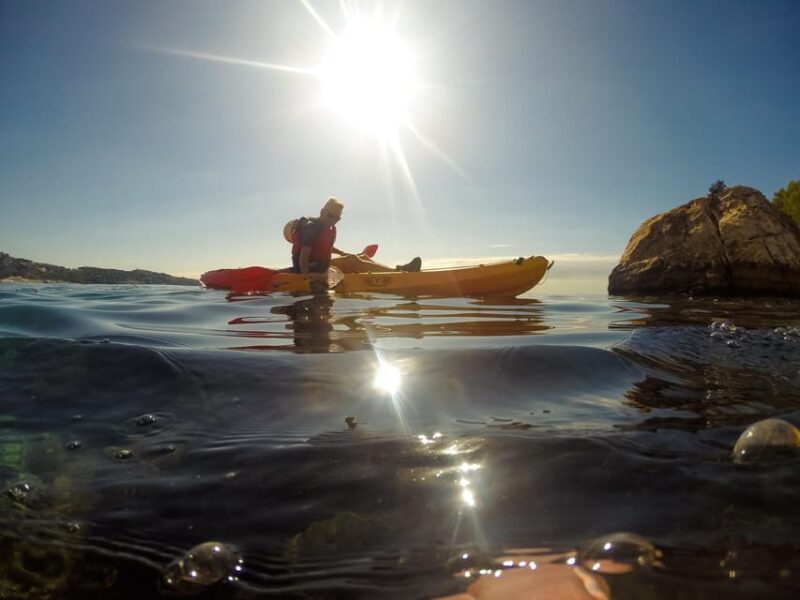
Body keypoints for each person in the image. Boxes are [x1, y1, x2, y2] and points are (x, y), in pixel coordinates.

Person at [289, 197, 421, 279]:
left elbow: (324, 246)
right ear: (322, 211)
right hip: (310, 270)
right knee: (353, 261)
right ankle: (399, 273)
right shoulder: (312, 228)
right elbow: (303, 260)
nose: (334, 220)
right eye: (330, 216)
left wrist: (343, 253)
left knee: (361, 257)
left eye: (337, 218)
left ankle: (396, 270)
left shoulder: (328, 229)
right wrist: (310, 278)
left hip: (322, 267)